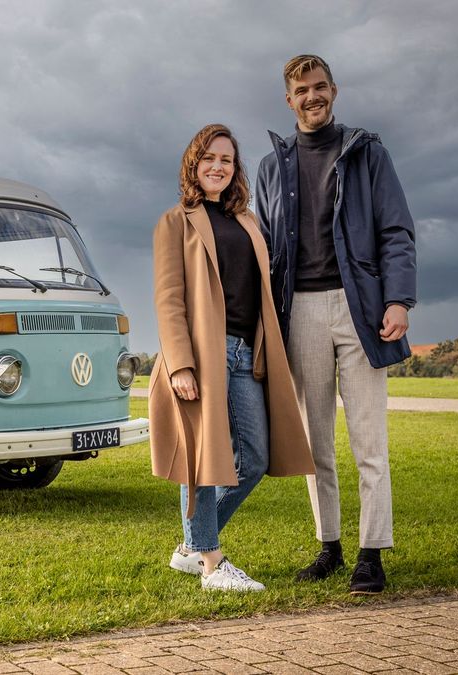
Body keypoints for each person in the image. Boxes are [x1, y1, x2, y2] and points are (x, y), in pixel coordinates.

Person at [254, 55, 417, 595]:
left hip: (361, 308)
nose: (312, 97)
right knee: (314, 442)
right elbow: (265, 249)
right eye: (301, 90)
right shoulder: (270, 167)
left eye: (320, 87)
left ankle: (372, 553)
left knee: (369, 440)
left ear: (334, 91)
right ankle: (329, 546)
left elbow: (396, 230)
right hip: (299, 310)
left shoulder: (368, 153)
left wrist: (398, 301)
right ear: (289, 99)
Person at [150, 124, 314, 592]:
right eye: (208, 159)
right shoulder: (175, 222)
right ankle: (211, 563)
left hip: (247, 352)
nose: (218, 166)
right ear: (193, 166)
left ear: (235, 168)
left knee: (256, 458)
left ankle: (191, 545)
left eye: (226, 159)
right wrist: (180, 363)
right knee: (201, 458)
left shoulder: (250, 222)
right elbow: (168, 298)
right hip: (203, 353)